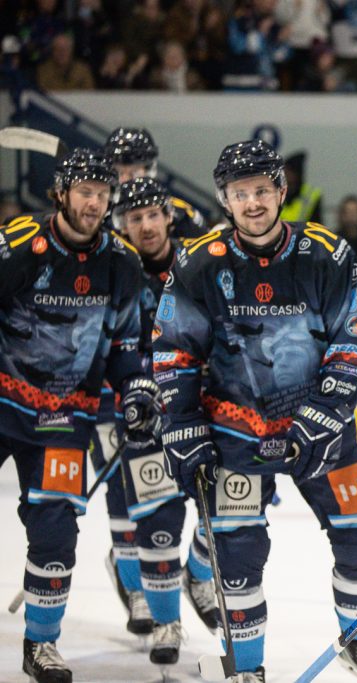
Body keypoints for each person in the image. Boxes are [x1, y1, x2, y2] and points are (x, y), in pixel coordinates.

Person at [152, 140, 357, 683]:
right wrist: (184, 428)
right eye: (240, 193)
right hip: (234, 436)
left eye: (262, 190)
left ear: (281, 191)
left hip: (322, 432)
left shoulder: (329, 255)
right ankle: (247, 669)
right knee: (239, 556)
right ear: (225, 200)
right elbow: (174, 354)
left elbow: (351, 346)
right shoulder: (198, 264)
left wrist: (320, 418)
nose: (253, 202)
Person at [0, 148, 161, 683]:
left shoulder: (122, 263)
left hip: (64, 419)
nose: (94, 203)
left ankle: (41, 644)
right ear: (61, 193)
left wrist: (137, 388)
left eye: (102, 193)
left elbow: (127, 345)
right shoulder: (20, 246)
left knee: (55, 532)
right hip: (2, 403)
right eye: (84, 191)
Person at [110, 176, 221, 668]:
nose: (145, 226)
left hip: (203, 411)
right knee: (157, 525)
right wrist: (136, 383)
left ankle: (198, 573)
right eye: (134, 219)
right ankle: (165, 620)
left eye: (152, 215)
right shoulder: (119, 272)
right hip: (145, 417)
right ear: (124, 227)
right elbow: (113, 344)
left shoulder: (199, 262)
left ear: (168, 216)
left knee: (224, 511)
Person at [104, 127, 207, 239]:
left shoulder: (182, 216)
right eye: (118, 173)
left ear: (150, 171)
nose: (124, 180)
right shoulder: (100, 215)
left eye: (134, 172)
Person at [281, 151, 323, 223]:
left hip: (304, 233)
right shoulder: (276, 192)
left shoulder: (311, 195)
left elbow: (317, 224)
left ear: (297, 173)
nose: (285, 174)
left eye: (288, 171)